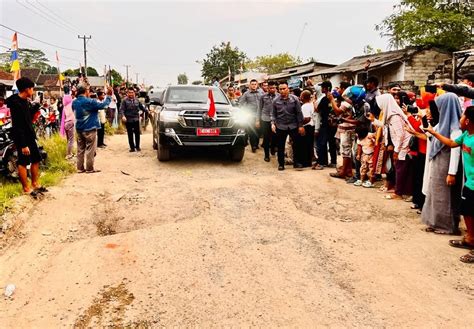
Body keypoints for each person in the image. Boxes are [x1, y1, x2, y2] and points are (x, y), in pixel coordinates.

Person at [425, 105, 474, 263]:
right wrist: (434, 133)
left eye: (462, 116)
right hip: (469, 182)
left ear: (467, 121)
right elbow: (452, 144)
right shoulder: (466, 134)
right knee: (467, 212)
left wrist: (451, 172)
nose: (459, 119)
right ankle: (470, 238)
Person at [421, 92, 463, 235]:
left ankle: (446, 225)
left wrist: (452, 173)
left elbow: (456, 152)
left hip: (446, 166)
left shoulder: (455, 128)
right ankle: (435, 221)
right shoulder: (442, 123)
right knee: (436, 194)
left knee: (445, 197)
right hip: (438, 164)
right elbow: (433, 138)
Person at [5, 77, 45, 197]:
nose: (33, 91)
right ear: (27, 89)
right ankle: (26, 188)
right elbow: (18, 126)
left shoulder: (24, 101)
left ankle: (35, 183)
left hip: (29, 134)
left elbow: (28, 117)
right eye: (32, 88)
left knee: (36, 158)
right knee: (23, 161)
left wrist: (36, 105)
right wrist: (23, 145)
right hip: (21, 136)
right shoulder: (16, 104)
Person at [375, 94, 413, 200]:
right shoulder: (392, 115)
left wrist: (396, 150)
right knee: (401, 169)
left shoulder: (394, 117)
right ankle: (402, 192)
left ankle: (399, 193)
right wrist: (374, 120)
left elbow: (400, 134)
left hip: (403, 147)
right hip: (402, 146)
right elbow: (385, 126)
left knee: (400, 170)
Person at [73, 85, 112, 173]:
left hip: (79, 128)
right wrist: (109, 96)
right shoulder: (90, 101)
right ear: (85, 92)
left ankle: (80, 168)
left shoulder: (74, 102)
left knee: (80, 149)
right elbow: (103, 105)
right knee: (90, 149)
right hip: (90, 128)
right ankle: (89, 168)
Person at [271, 81, 305, 171]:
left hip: (293, 125)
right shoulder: (275, 101)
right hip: (281, 126)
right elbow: (273, 114)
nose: (282, 91)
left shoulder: (295, 99)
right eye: (280, 89)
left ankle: (297, 163)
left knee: (296, 145)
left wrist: (300, 126)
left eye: (284, 89)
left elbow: (299, 113)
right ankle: (281, 164)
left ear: (288, 89)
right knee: (280, 146)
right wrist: (272, 124)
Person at [313, 81, 335, 170]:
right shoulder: (333, 97)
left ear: (326, 88)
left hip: (325, 123)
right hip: (332, 124)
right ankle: (333, 161)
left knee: (321, 143)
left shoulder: (325, 98)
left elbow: (317, 110)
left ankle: (321, 163)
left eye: (322, 87)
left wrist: (314, 102)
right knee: (331, 143)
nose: (321, 89)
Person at [119, 87, 148, 152]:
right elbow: (121, 109)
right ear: (127, 93)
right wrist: (123, 116)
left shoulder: (137, 100)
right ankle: (132, 147)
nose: (131, 94)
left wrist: (148, 111)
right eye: (129, 93)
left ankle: (137, 146)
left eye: (132, 93)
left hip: (136, 119)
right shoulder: (124, 101)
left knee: (137, 133)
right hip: (128, 119)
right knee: (130, 134)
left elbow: (142, 108)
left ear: (134, 93)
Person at [257, 80, 278, 161]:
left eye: (273, 88)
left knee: (274, 137)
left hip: (276, 120)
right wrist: (257, 120)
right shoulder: (263, 97)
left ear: (276, 88)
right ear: (267, 88)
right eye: (270, 88)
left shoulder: (279, 96)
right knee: (266, 138)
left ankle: (272, 149)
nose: (272, 89)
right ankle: (266, 155)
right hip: (265, 119)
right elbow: (259, 109)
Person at [239, 79, 261, 152]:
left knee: (258, 131)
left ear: (257, 85)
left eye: (255, 84)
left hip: (260, 115)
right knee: (252, 131)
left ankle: (256, 144)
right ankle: (253, 146)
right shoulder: (246, 94)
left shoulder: (261, 93)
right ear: (249, 85)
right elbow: (241, 103)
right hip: (251, 115)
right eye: (252, 84)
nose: (254, 85)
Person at [299, 90, 315, 167]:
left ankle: (305, 162)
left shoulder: (305, 106)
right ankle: (309, 162)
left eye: (301, 96)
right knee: (309, 145)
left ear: (303, 97)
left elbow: (307, 118)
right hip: (311, 127)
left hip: (307, 127)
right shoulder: (311, 105)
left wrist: (300, 125)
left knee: (304, 145)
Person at [61, 94, 75, 159]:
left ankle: (69, 153)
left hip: (66, 123)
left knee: (68, 140)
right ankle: (68, 154)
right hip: (71, 122)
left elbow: (63, 118)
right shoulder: (72, 105)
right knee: (71, 140)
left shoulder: (65, 107)